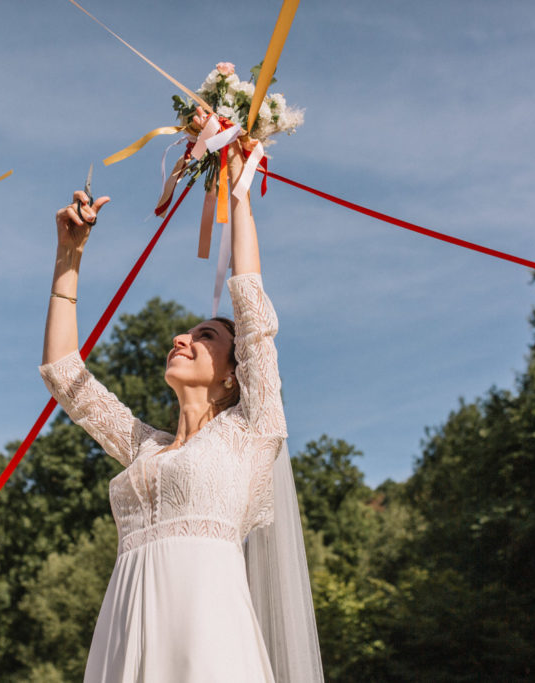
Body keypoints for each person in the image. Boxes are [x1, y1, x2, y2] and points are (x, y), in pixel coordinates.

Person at [40, 135, 323, 681]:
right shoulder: (142, 447)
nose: (182, 337)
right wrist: (68, 257)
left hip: (206, 624)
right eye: (187, 331)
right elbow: (65, 376)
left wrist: (238, 183)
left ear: (235, 373)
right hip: (126, 623)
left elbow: (249, 300)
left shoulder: (252, 428)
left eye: (206, 335)